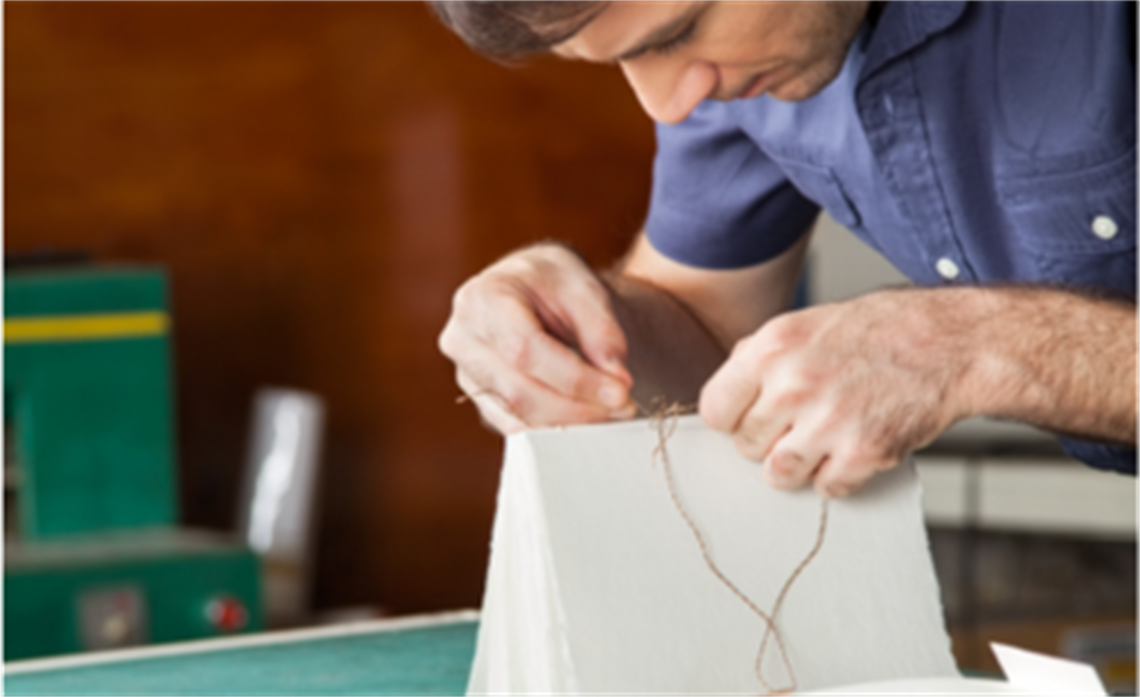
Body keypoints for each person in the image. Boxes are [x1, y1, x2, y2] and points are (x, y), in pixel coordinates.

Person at [433, 0, 1137, 498]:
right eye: (617, 59)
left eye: (676, 32)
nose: (668, 104)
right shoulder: (734, 75)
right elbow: (704, 331)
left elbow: (971, 344)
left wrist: (976, 345)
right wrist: (577, 329)